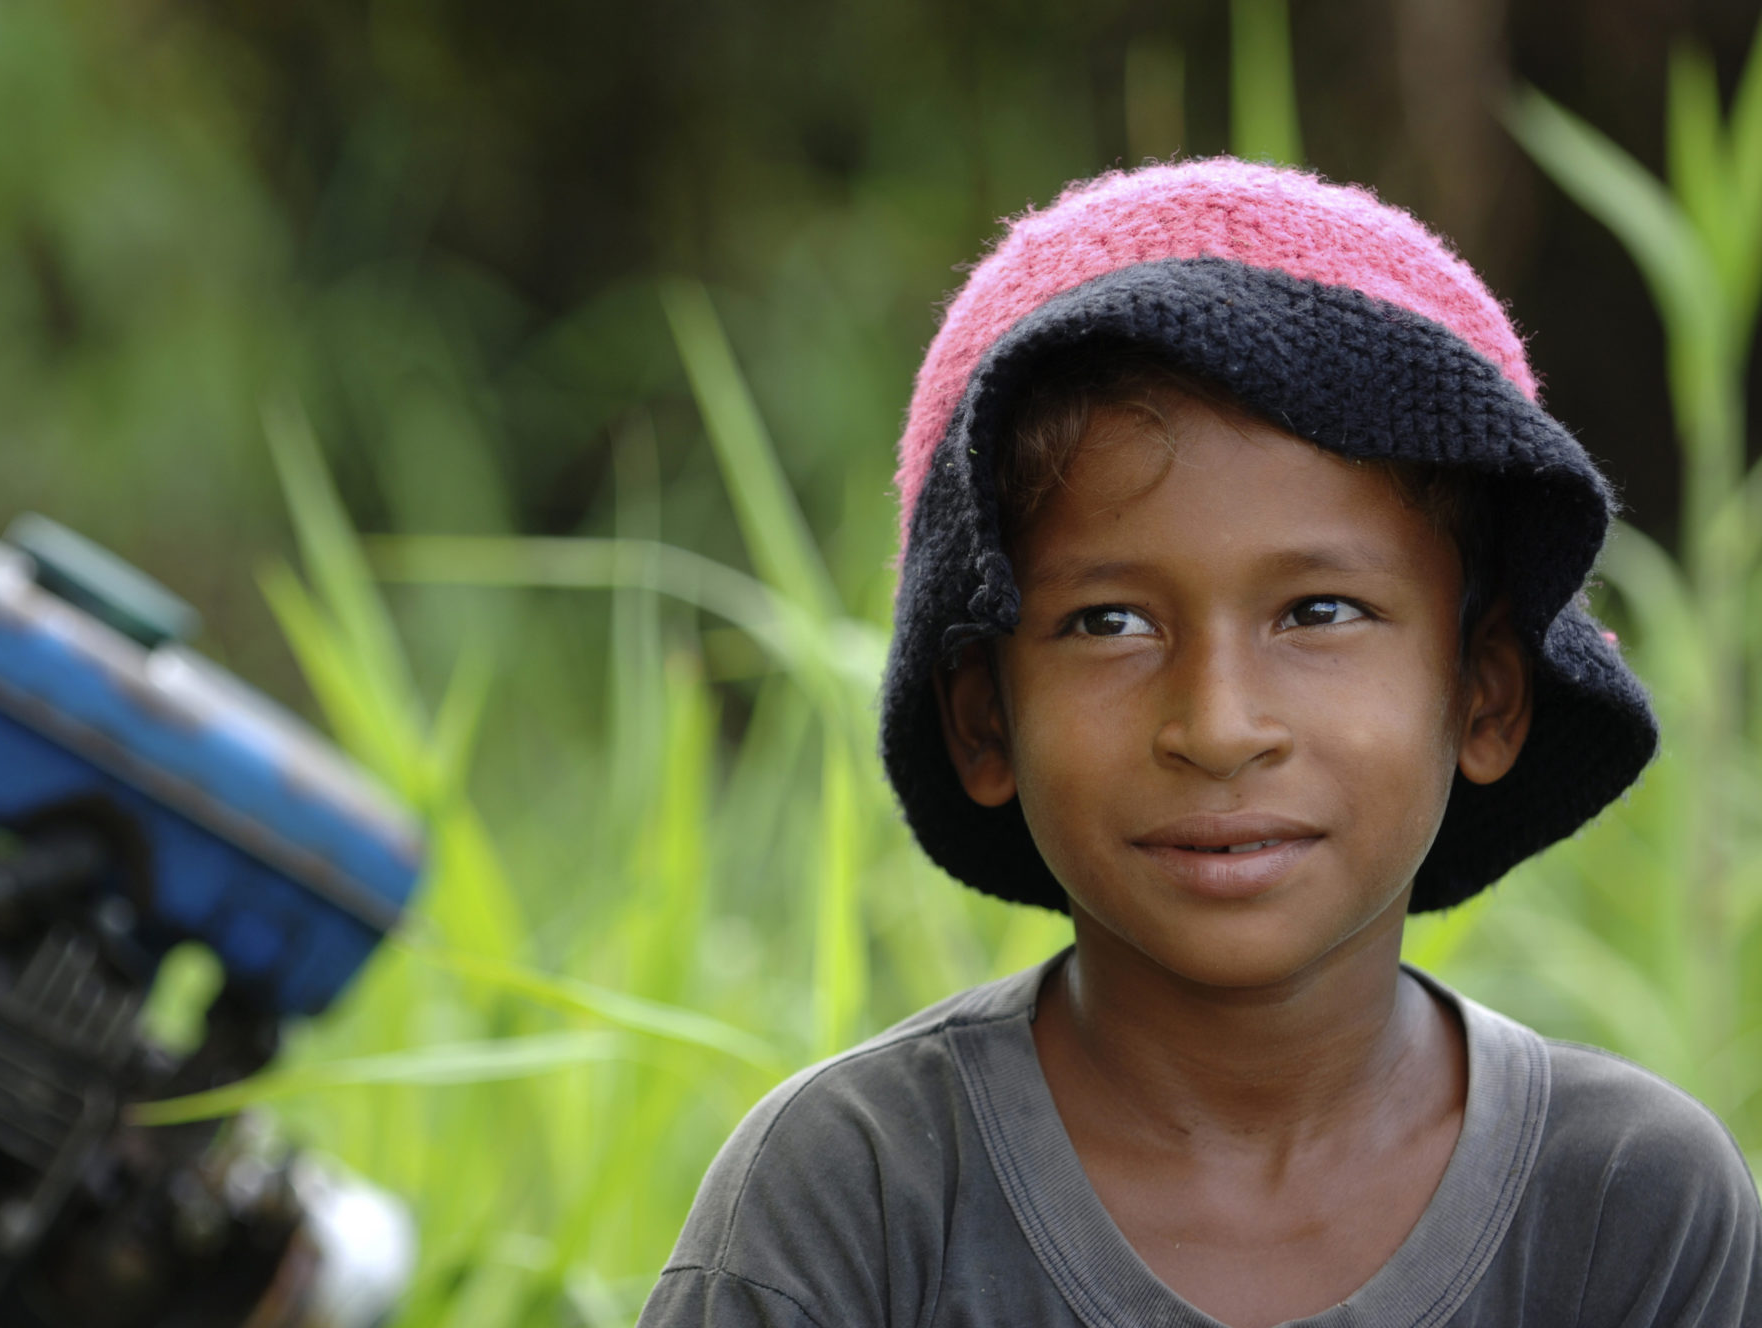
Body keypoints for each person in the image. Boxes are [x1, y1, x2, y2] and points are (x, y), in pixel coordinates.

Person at [635, 159, 1762, 1327]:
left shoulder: (1629, 1207)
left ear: (1482, 694)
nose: (1218, 726)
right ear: (983, 714)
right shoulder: (855, 1196)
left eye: (1318, 612)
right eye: (1107, 622)